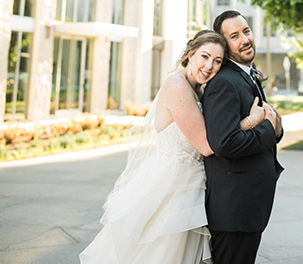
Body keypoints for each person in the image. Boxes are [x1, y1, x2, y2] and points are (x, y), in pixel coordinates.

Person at [79, 29, 268, 264]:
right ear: (190, 54)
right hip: (172, 184)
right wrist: (251, 121)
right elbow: (207, 146)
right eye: (205, 56)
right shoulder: (176, 85)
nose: (210, 66)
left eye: (217, 61)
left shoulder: (199, 87)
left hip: (193, 181)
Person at [202, 10, 284, 264]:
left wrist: (276, 129)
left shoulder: (247, 74)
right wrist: (270, 130)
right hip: (233, 212)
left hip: (247, 208)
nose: (244, 39)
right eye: (234, 36)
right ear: (224, 46)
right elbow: (224, 143)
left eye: (246, 31)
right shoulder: (224, 83)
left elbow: (265, 121)